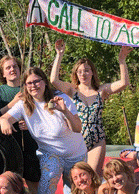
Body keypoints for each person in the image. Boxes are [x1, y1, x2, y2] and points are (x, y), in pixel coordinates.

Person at [0, 67, 87, 194]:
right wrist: (4, 122)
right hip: (50, 153)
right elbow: (3, 118)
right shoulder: (24, 104)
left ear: (44, 82)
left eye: (37, 81)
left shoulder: (61, 99)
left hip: (75, 155)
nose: (33, 86)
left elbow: (77, 128)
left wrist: (65, 111)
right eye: (29, 83)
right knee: (47, 180)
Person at [50, 40, 131, 175]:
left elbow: (124, 83)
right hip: (77, 139)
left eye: (87, 71)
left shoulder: (101, 90)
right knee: (79, 177)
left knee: (93, 176)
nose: (83, 74)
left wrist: (121, 59)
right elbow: (54, 80)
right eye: (80, 72)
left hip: (97, 139)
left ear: (92, 72)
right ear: (76, 74)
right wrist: (59, 55)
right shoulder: (73, 90)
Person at [0, 55, 41, 194]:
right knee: (11, 182)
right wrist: (12, 103)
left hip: (31, 143)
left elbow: (40, 113)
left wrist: (30, 122)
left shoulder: (29, 87)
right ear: (3, 73)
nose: (12, 69)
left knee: (34, 181)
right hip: (10, 143)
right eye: (8, 67)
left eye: (15, 66)